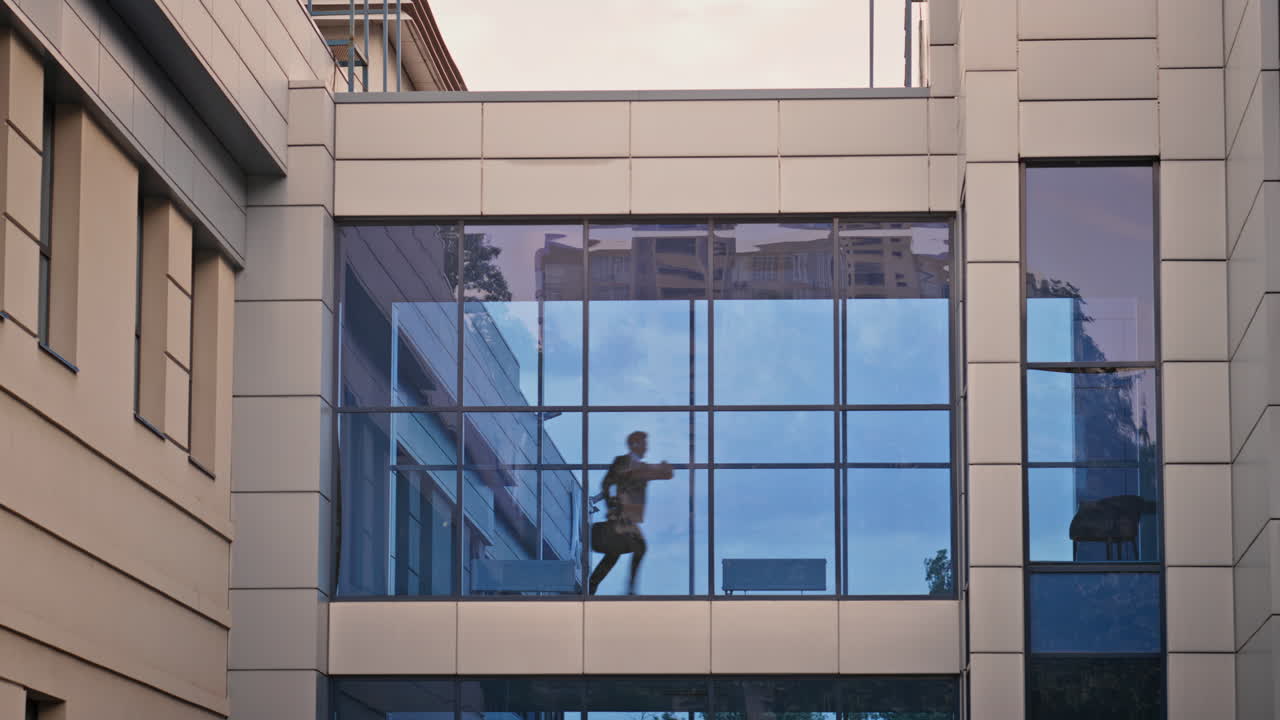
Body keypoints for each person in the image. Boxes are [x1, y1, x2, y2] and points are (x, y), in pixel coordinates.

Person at [588, 430, 673, 595]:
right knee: (639, 547)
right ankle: (630, 588)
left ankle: (593, 584)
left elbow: (667, 474)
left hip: (629, 518)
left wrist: (665, 466)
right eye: (644, 444)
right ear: (634, 444)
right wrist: (612, 504)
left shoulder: (643, 468)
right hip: (620, 516)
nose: (646, 448)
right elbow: (606, 484)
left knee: (614, 553)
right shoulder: (622, 461)